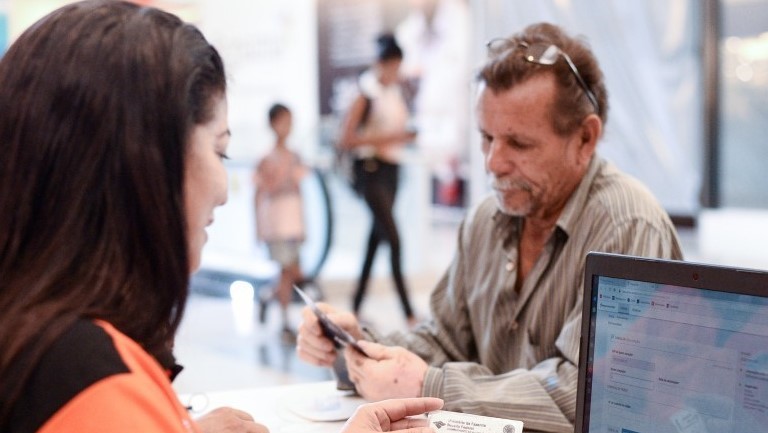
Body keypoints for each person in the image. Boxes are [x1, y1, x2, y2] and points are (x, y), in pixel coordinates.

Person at [0, 1, 443, 432]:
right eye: (218, 149)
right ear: (146, 166)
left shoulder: (38, 336)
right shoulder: (92, 382)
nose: (221, 192)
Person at [297, 22, 684, 433]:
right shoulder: (486, 220)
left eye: (518, 144)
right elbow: (445, 341)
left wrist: (432, 384)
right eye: (486, 138)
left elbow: (589, 393)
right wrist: (361, 347)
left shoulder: (629, 227)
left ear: (585, 139)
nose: (492, 163)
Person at [338, 33, 418, 326]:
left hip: (391, 171)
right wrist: (394, 137)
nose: (396, 72)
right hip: (370, 172)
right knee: (394, 240)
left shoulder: (396, 94)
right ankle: (409, 312)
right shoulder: (366, 94)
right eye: (393, 66)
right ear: (381, 64)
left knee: (374, 242)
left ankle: (355, 307)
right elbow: (346, 139)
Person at [253, 103, 308, 342]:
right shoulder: (266, 159)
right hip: (276, 222)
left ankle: (269, 297)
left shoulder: (295, 157)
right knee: (286, 271)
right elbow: (259, 193)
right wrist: (258, 227)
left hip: (292, 221)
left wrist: (305, 225)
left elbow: (299, 191)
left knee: (293, 272)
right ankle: (285, 320)